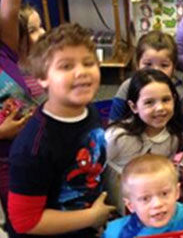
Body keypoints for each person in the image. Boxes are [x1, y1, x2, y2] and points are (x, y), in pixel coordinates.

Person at [8, 23, 114, 237]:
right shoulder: (34, 147)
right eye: (66, 66)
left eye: (88, 63)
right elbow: (25, 222)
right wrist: (91, 217)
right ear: (42, 78)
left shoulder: (88, 111)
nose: (81, 72)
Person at [105, 69, 183, 214]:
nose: (160, 108)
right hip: (117, 214)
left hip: (152, 213)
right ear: (134, 106)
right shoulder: (118, 138)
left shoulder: (173, 138)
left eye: (166, 100)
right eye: (149, 102)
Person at [0, 0, 38, 211]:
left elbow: (9, 11)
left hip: (33, 148)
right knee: (20, 216)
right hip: (4, 161)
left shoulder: (4, 51)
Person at [109, 31, 183, 134]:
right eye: (148, 64)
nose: (155, 71)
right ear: (137, 64)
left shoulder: (182, 95)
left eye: (164, 65)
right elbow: (113, 124)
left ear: (174, 66)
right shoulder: (127, 87)